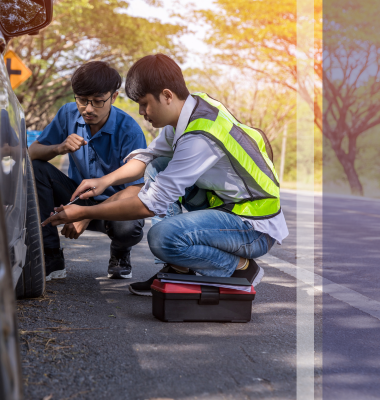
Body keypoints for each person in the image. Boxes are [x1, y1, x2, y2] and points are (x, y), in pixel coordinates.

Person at [42, 54, 289, 296]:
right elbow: (148, 157)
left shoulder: (199, 136)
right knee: (158, 164)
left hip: (253, 226)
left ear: (167, 96)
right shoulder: (190, 109)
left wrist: (84, 212)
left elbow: (151, 204)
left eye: (144, 103)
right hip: (227, 208)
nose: (141, 112)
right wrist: (104, 181)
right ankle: (177, 269)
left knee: (162, 238)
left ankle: (240, 268)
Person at [29, 61, 147, 281]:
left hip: (115, 206)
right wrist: (59, 147)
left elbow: (139, 188)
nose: (88, 109)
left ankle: (120, 253)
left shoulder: (129, 130)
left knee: (128, 228)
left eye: (98, 101)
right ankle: (51, 255)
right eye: (82, 100)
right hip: (77, 196)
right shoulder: (67, 113)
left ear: (113, 97)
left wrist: (86, 214)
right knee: (36, 170)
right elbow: (32, 152)